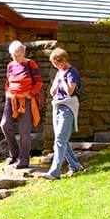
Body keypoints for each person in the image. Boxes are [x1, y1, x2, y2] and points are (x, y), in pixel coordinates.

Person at [42, 47, 84, 179]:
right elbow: (52, 92)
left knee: (60, 140)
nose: (55, 66)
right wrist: (57, 79)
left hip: (68, 107)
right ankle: (76, 166)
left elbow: (69, 91)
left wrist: (62, 79)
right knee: (61, 141)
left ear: (63, 60)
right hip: (57, 107)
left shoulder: (72, 72)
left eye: (56, 63)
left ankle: (54, 172)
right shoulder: (59, 72)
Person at [0, 40, 43, 169]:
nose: (15, 58)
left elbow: (39, 82)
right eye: (13, 55)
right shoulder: (10, 65)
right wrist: (7, 92)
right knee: (4, 124)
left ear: (23, 52)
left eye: (18, 55)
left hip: (27, 100)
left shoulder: (31, 64)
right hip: (11, 99)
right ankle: (14, 154)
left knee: (24, 131)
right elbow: (7, 82)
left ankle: (24, 160)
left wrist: (31, 93)